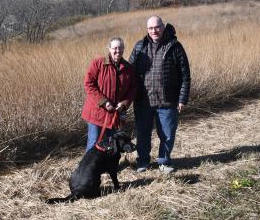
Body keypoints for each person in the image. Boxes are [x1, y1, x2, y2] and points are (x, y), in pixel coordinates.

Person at [129, 16, 190, 173]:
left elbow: (185, 75)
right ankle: (143, 161)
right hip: (143, 101)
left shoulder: (175, 46)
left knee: (168, 134)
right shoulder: (140, 46)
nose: (154, 31)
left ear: (163, 27)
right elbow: (129, 72)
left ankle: (164, 161)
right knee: (142, 133)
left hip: (168, 100)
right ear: (147, 29)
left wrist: (182, 98)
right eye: (150, 28)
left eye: (157, 27)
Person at [81, 37, 137, 151]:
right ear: (109, 49)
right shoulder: (98, 63)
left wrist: (125, 103)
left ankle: (108, 167)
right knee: (94, 142)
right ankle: (89, 168)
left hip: (114, 114)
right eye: (115, 48)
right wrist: (104, 102)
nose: (118, 51)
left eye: (121, 48)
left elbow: (133, 89)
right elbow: (89, 84)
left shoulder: (128, 68)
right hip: (96, 112)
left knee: (112, 144)